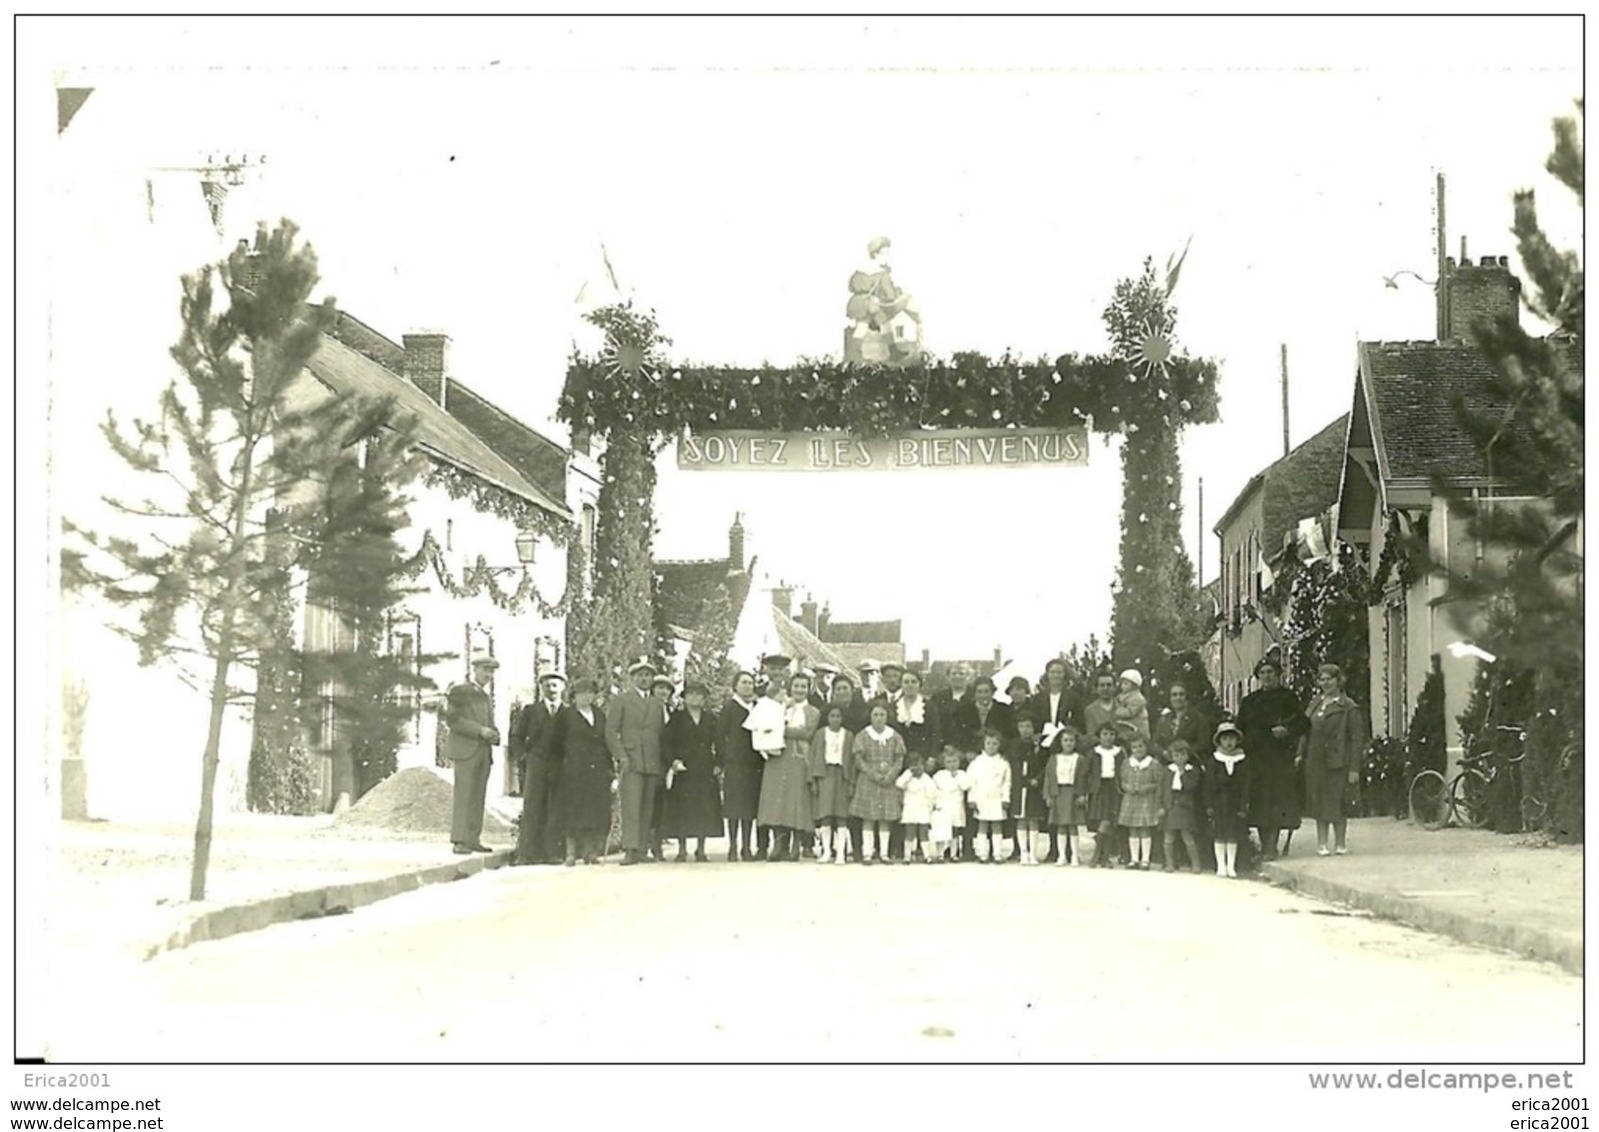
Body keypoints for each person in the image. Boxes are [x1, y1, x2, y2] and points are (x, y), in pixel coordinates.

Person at [1240, 657, 1310, 860]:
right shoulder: (1250, 701)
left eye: (1270, 672)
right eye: (1262, 673)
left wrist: (1287, 730)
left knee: (1277, 802)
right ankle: (1264, 847)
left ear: (1278, 674)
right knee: (1260, 802)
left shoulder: (1288, 697)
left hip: (1279, 758)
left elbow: (1304, 724)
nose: (1266, 676)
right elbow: (1241, 728)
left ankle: (1271, 846)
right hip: (1257, 758)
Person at [604, 659, 667, 867]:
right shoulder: (622, 700)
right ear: (632, 678)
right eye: (640, 675)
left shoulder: (657, 704)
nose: (644, 679)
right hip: (630, 760)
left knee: (647, 807)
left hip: (652, 761)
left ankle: (641, 848)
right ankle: (630, 849)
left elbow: (660, 734)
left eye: (648, 675)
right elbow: (611, 731)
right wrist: (620, 755)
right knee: (631, 806)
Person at [1303, 663, 1367, 857]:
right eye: (1322, 679)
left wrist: (1354, 768)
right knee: (1319, 800)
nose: (1325, 683)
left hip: (1339, 760)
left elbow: (1356, 739)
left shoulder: (1348, 706)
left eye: (1329, 679)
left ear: (1339, 680)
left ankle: (1340, 843)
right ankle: (1321, 843)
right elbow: (1304, 730)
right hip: (1316, 759)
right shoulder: (1315, 703)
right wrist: (1300, 754)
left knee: (1338, 801)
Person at [756, 673, 820, 862]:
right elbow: (764, 726)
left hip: (799, 758)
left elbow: (807, 733)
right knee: (777, 799)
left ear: (808, 689)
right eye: (796, 686)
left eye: (803, 686)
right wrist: (779, 725)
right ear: (790, 687)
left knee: (797, 800)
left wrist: (780, 729)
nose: (799, 690)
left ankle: (796, 845)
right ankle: (778, 844)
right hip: (777, 756)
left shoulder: (813, 711)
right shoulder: (778, 707)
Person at [548, 677, 612, 866]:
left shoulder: (599, 715)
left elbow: (605, 742)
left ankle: (590, 852)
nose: (586, 697)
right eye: (581, 693)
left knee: (594, 810)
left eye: (590, 693)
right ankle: (571, 853)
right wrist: (558, 769)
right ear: (573, 696)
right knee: (573, 810)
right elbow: (555, 744)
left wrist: (609, 768)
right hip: (573, 770)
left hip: (597, 769)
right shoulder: (565, 716)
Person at [444, 653, 502, 854]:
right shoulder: (460, 691)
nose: (488, 674)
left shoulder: (485, 696)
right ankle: (459, 840)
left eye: (491, 671)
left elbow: (488, 723)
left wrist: (494, 733)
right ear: (474, 669)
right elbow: (452, 720)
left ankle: (472, 838)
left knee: (478, 796)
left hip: (483, 751)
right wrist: (479, 730)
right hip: (465, 750)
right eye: (485, 670)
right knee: (464, 795)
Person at [661, 682, 723, 862]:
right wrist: (673, 761)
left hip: (704, 767)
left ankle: (701, 849)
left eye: (699, 694)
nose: (695, 698)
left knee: (704, 807)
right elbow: (666, 742)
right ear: (685, 698)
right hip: (684, 767)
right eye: (691, 694)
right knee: (683, 808)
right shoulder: (677, 718)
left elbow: (719, 742)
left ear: (704, 698)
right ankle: (682, 849)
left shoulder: (711, 718)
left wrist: (719, 763)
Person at [512, 671, 566, 866]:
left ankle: (552, 852)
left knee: (556, 808)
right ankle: (526, 854)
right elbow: (517, 737)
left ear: (562, 688)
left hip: (559, 765)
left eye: (555, 685)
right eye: (547, 685)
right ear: (541, 688)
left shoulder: (568, 712)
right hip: (536, 762)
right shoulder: (530, 711)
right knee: (532, 807)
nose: (551, 689)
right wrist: (523, 757)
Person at [849, 702, 905, 864]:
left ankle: (884, 853)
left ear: (887, 717)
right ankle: (867, 853)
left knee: (885, 819)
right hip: (868, 781)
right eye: (875, 715)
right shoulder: (863, 735)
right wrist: (873, 774)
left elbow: (899, 758)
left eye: (882, 715)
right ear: (870, 716)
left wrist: (890, 775)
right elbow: (858, 759)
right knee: (868, 818)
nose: (879, 718)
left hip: (888, 782)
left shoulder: (894, 736)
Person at [718, 671, 764, 862]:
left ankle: (746, 846)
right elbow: (720, 735)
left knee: (749, 807)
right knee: (734, 807)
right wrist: (724, 758)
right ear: (735, 686)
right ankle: (733, 847)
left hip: (754, 763)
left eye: (751, 683)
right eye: (744, 682)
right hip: (735, 763)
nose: (748, 686)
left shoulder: (757, 706)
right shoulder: (730, 707)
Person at [808, 703, 854, 865]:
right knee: (825, 815)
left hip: (841, 775)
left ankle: (840, 852)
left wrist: (850, 783)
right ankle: (826, 851)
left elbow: (851, 760)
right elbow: (812, 757)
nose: (835, 719)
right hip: (824, 775)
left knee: (841, 815)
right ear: (827, 717)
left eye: (838, 716)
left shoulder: (848, 735)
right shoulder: (820, 734)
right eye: (832, 716)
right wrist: (812, 780)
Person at [1207, 721, 1253, 879]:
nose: (1228, 742)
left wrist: (1243, 805)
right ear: (1219, 741)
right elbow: (1209, 783)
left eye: (1232, 738)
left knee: (1233, 833)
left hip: (1235, 802)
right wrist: (1209, 804)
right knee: (1219, 833)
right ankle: (1221, 865)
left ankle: (1231, 865)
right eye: (1225, 739)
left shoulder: (1242, 759)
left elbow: (1246, 783)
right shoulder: (1214, 759)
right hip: (1219, 801)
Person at [1041, 723, 1089, 867]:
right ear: (1060, 742)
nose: (1068, 743)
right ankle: (1062, 856)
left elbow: (1083, 777)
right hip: (1059, 793)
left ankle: (1074, 855)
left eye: (1071, 740)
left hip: (1073, 793)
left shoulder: (1079, 759)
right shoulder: (1054, 758)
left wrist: (1082, 794)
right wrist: (1048, 795)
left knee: (1072, 825)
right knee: (1060, 825)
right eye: (1065, 740)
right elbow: (1048, 778)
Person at [1005, 714, 1047, 865]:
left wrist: (1038, 779)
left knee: (1033, 819)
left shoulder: (1041, 746)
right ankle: (1023, 852)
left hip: (1034, 787)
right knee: (1021, 819)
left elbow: (1044, 766)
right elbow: (1013, 766)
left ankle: (1033, 853)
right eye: (1022, 726)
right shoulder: (1013, 745)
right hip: (1019, 786)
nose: (1025, 730)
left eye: (1028, 726)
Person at [965, 729, 1012, 862]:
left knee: (997, 825)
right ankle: (983, 853)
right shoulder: (976, 763)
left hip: (997, 798)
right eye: (989, 743)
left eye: (995, 744)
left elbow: (1006, 783)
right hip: (981, 798)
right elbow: (971, 782)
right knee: (982, 825)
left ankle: (997, 853)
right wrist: (972, 798)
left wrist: (1005, 798)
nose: (991, 746)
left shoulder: (1003, 763)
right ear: (983, 744)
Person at [1158, 739, 1203, 874]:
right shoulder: (1167, 771)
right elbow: (1161, 789)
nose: (1179, 757)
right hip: (1169, 806)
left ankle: (1196, 864)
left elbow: (1191, 787)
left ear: (1187, 755)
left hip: (1184, 806)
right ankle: (1169, 863)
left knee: (1187, 835)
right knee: (1168, 835)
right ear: (1171, 757)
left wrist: (1183, 772)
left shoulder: (1192, 771)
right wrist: (1160, 806)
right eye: (1176, 755)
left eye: (1182, 754)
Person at [1117, 735, 1162, 870]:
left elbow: (1159, 782)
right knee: (1133, 829)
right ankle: (1134, 859)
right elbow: (1122, 779)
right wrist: (1127, 787)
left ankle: (1145, 859)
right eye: (1134, 747)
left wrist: (1148, 787)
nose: (1138, 749)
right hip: (1130, 799)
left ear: (1146, 747)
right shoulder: (1126, 763)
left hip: (1146, 799)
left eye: (1141, 746)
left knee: (1145, 828)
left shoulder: (1153, 764)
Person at [1083, 721, 1123, 867]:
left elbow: (1123, 770)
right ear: (1099, 736)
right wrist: (1084, 791)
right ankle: (1100, 855)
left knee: (1109, 822)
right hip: (1099, 789)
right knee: (1103, 821)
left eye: (1112, 734)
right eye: (1105, 734)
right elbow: (1085, 773)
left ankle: (1102, 856)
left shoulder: (1120, 752)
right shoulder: (1093, 753)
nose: (1108, 737)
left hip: (1114, 787)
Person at [930, 746, 970, 863]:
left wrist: (956, 777)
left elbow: (965, 786)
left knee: (955, 831)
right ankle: (940, 853)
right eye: (948, 761)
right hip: (943, 805)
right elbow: (935, 790)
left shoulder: (962, 774)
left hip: (956, 806)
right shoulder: (939, 775)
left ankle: (954, 853)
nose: (952, 764)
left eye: (955, 761)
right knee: (942, 830)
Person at [895, 758, 937, 863]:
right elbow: (899, 784)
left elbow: (932, 793)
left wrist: (930, 806)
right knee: (910, 832)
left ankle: (927, 856)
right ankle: (907, 856)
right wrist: (908, 773)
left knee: (924, 832)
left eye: (920, 766)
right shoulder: (907, 778)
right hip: (910, 808)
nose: (917, 769)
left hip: (923, 808)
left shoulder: (926, 778)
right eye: (914, 767)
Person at [1112, 669, 1151, 746]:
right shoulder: (1122, 696)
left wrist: (1117, 711)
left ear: (1134, 686)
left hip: (1137, 726)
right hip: (1125, 726)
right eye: (1122, 683)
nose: (1122, 686)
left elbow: (1130, 712)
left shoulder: (1137, 698)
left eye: (1126, 684)